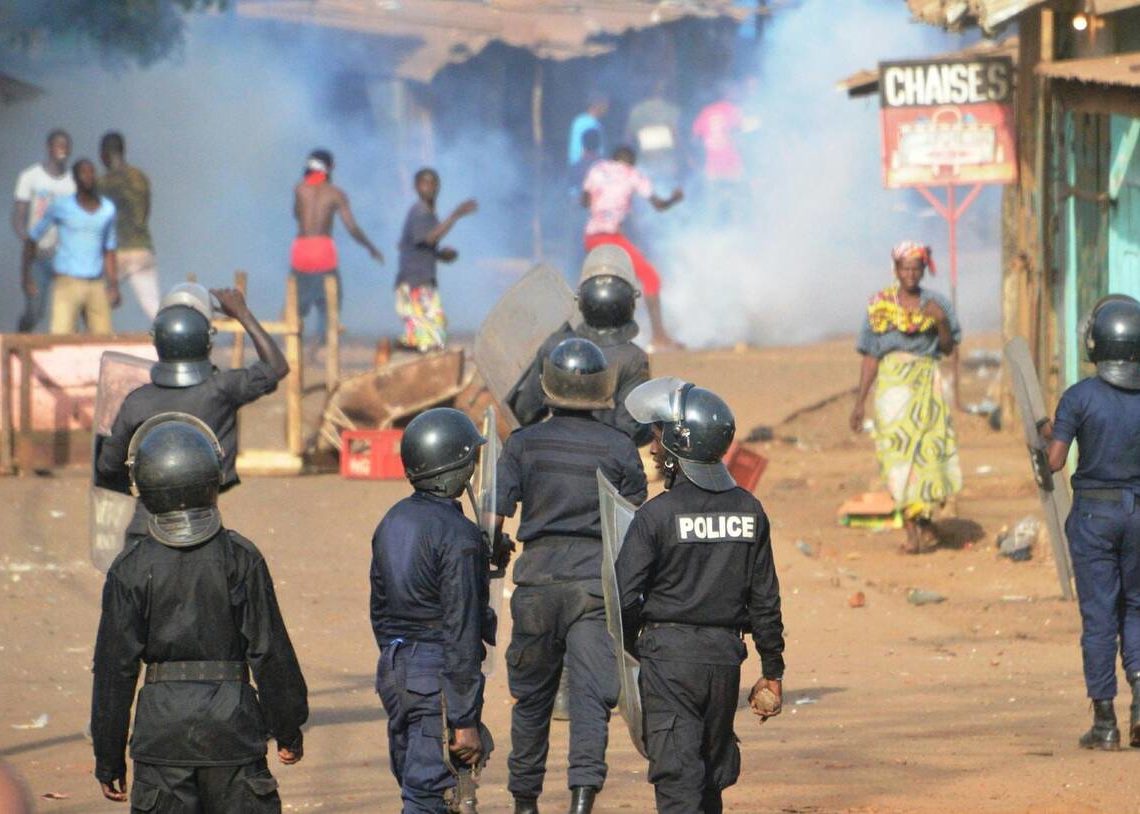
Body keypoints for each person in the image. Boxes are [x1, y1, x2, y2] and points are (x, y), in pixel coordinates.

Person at [91, 415, 307, 811]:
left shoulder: (130, 568)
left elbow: (114, 669)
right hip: (233, 731)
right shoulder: (240, 557)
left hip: (161, 738)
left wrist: (108, 757)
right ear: (212, 481)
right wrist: (288, 728)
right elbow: (269, 650)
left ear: (144, 488)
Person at [616, 377, 784, 814]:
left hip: (669, 660)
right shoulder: (750, 510)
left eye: (657, 440)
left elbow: (622, 595)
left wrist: (638, 647)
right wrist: (772, 669)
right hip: (725, 662)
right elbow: (765, 599)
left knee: (678, 782)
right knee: (711, 777)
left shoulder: (656, 515)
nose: (653, 451)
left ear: (678, 444)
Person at [497, 338, 647, 814]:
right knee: (590, 699)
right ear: (602, 389)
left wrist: (497, 551)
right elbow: (633, 524)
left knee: (532, 701)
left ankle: (525, 801)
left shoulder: (522, 444)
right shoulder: (620, 447)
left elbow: (493, 517)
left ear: (548, 388)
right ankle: (582, 797)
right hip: (594, 589)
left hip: (537, 586)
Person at [371, 407, 495, 812]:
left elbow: (379, 606)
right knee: (430, 794)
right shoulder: (458, 534)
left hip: (397, 667)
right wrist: (462, 719)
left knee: (415, 780)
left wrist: (397, 661)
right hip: (436, 671)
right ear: (456, 467)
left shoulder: (393, 520)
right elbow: (461, 628)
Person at [95, 285, 288, 541]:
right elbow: (276, 366)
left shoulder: (137, 402)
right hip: (202, 530)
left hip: (144, 531)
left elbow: (107, 467)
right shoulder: (220, 390)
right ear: (207, 342)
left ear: (158, 342)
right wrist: (242, 313)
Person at [1041, 296, 1140, 750]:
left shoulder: (1079, 397)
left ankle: (1105, 724)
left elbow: (1056, 462)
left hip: (1095, 515)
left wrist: (1046, 441)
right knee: (1137, 609)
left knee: (1100, 616)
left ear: (1095, 345)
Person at [848, 242, 962, 554]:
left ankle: (924, 524)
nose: (910, 274)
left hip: (927, 389)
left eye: (916, 268)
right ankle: (913, 533)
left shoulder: (937, 304)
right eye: (905, 268)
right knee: (897, 461)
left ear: (924, 270)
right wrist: (860, 402)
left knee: (927, 460)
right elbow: (871, 356)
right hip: (892, 393)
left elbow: (949, 348)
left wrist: (940, 322)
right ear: (896, 270)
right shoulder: (880, 305)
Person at [510, 244, 652, 446]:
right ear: (630, 300)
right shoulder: (634, 358)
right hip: (608, 463)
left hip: (555, 454)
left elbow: (525, 412)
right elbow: (631, 430)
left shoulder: (555, 345)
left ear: (582, 299)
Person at [582, 146, 682, 351]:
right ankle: (659, 337)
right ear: (631, 162)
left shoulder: (598, 169)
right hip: (609, 236)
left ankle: (593, 337)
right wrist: (674, 198)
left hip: (591, 236)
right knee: (650, 277)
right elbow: (659, 205)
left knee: (600, 284)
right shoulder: (633, 174)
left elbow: (584, 200)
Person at [292, 149, 383, 345]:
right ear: (330, 168)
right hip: (324, 251)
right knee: (330, 304)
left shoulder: (299, 189)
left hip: (301, 250)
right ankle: (315, 350)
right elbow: (351, 227)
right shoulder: (336, 194)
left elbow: (297, 215)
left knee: (295, 302)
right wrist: (371, 248)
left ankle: (291, 348)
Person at [25, 158, 120, 334]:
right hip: (67, 282)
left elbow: (109, 249)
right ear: (75, 179)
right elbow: (32, 237)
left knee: (105, 338)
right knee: (61, 337)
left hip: (96, 283)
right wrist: (26, 275)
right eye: (83, 172)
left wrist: (114, 285)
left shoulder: (107, 209)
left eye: (91, 172)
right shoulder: (62, 206)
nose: (88, 176)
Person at [395, 168, 477, 353]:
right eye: (425, 183)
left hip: (420, 281)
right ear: (416, 187)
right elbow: (429, 238)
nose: (430, 187)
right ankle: (392, 352)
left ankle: (401, 356)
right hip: (415, 283)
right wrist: (456, 215)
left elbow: (417, 246)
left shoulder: (427, 214)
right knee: (432, 335)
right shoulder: (420, 212)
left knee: (428, 335)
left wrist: (440, 255)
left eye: (433, 183)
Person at [11, 128, 75, 333]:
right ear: (49, 148)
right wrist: (29, 241)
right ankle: (18, 340)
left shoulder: (73, 182)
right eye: (59, 145)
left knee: (68, 310)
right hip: (37, 255)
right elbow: (18, 217)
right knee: (35, 311)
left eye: (66, 146)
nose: (62, 150)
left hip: (62, 255)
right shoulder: (31, 176)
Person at [98, 131, 161, 319]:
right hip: (142, 248)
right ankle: (174, 342)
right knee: (153, 306)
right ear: (123, 151)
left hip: (115, 252)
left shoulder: (102, 184)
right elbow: (145, 211)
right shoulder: (140, 177)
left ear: (103, 155)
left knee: (93, 302)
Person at [691, 82, 752, 223]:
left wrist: (699, 156)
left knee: (714, 205)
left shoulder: (705, 112)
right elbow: (741, 134)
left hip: (712, 166)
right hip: (732, 164)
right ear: (727, 94)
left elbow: (694, 139)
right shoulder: (733, 110)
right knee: (740, 201)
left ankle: (715, 234)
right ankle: (738, 230)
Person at [625, 79, 682, 190]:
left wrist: (627, 164)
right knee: (666, 195)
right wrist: (680, 159)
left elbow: (628, 139)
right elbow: (677, 137)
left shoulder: (637, 111)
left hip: (645, 163)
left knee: (646, 196)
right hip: (666, 163)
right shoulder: (672, 110)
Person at [568, 92, 609, 167]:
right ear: (596, 105)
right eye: (604, 104)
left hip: (577, 166)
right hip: (588, 167)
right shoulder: (592, 124)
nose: (607, 108)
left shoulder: (578, 120)